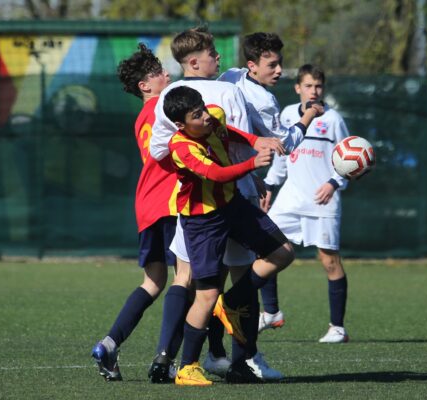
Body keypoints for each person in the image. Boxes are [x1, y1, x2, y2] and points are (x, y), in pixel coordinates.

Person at [150, 26, 285, 381]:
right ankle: (240, 360)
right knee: (225, 283)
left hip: (194, 198)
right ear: (195, 60)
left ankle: (171, 358)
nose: (219, 58)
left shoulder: (171, 94)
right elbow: (235, 152)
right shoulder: (228, 90)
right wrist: (250, 174)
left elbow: (158, 150)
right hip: (216, 202)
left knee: (188, 280)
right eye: (213, 53)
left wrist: (186, 170)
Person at [90, 43, 192, 385]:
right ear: (144, 86)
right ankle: (168, 359)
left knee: (153, 282)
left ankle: (109, 343)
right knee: (187, 280)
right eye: (156, 73)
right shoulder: (166, 110)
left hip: (147, 203)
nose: (165, 74)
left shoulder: (140, 119)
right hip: (173, 201)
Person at [218, 32, 324, 331]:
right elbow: (285, 143)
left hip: (222, 182)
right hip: (237, 190)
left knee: (211, 275)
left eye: (280, 63)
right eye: (272, 64)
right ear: (252, 65)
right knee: (279, 253)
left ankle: (216, 354)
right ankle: (236, 328)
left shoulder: (230, 76)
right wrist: (308, 117)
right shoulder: (265, 100)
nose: (279, 70)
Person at [261, 64, 351, 343]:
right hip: (290, 198)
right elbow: (282, 156)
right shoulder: (287, 114)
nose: (314, 91)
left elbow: (351, 157)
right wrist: (268, 185)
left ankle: (337, 328)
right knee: (265, 248)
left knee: (329, 261)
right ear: (298, 88)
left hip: (322, 200)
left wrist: (333, 183)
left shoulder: (333, 119)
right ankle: (271, 312)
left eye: (319, 86)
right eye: (309, 86)